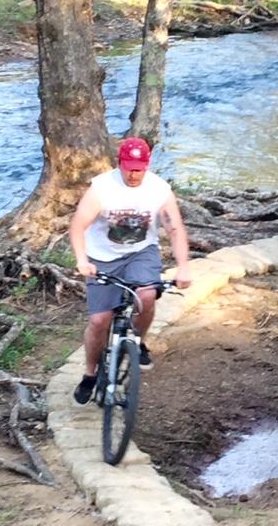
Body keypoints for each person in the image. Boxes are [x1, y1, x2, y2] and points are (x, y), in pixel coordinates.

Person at [69, 137, 191, 405]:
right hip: (102, 256)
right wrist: (82, 260)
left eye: (139, 168)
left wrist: (183, 267)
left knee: (146, 296)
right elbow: (78, 226)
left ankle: (139, 341)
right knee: (100, 321)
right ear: (119, 164)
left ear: (147, 165)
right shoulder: (102, 188)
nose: (133, 174)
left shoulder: (159, 189)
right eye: (129, 167)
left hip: (141, 253)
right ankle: (90, 374)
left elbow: (174, 228)